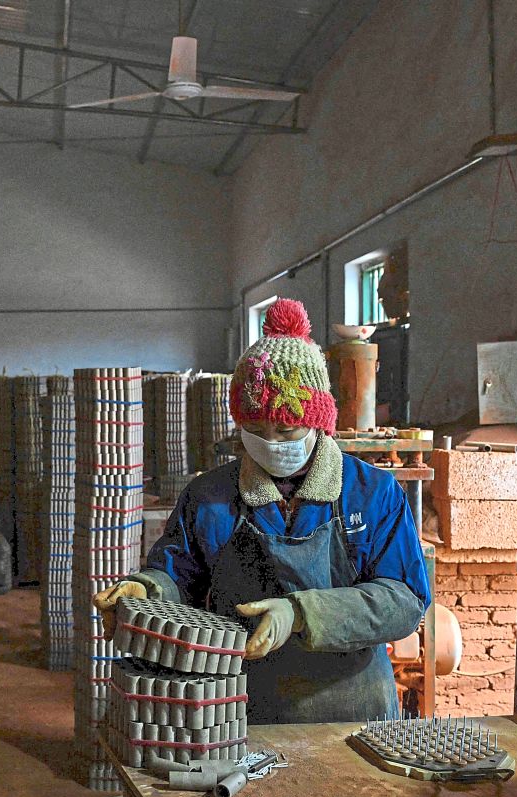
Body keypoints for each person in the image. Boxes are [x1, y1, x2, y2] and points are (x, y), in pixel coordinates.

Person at [93, 299, 430, 724]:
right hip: (247, 707)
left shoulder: (372, 493)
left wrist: (301, 613)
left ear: (318, 422)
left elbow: (404, 600)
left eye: (286, 429)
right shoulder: (210, 496)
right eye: (254, 430)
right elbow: (177, 576)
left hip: (352, 708)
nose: (271, 442)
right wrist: (147, 592)